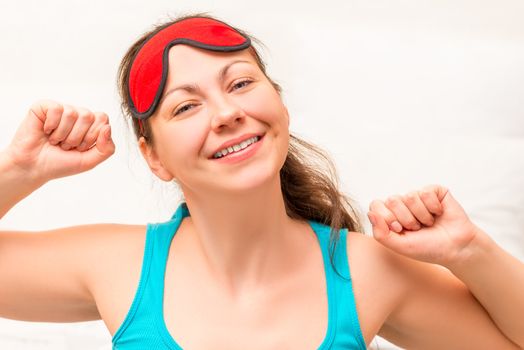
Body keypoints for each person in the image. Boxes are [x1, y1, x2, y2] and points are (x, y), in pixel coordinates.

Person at [0, 13, 523, 350]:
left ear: (279, 104)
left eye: (242, 83)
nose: (227, 113)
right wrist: (17, 173)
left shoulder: (367, 269)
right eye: (186, 106)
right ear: (153, 157)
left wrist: (470, 251)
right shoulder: (117, 264)